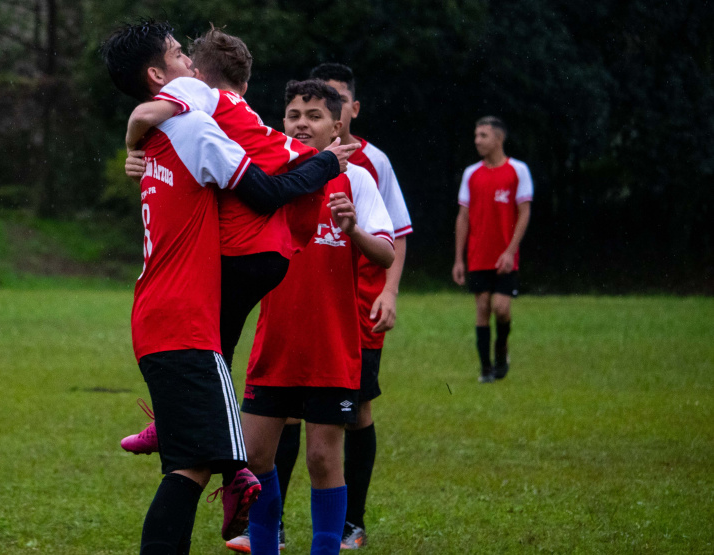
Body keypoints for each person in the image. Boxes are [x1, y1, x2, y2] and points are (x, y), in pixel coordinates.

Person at [102, 21, 350, 553]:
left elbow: (145, 117)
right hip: (184, 318)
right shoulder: (192, 121)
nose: (189, 63)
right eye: (176, 54)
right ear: (159, 75)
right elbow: (262, 192)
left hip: (158, 313)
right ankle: (238, 478)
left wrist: (131, 135)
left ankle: (226, 470)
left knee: (189, 466)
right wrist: (327, 162)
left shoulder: (159, 138)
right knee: (189, 470)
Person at [255, 63, 414, 551]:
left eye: (315, 115)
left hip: (331, 345)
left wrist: (353, 231)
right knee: (257, 458)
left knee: (323, 458)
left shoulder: (358, 182)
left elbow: (387, 252)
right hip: (274, 345)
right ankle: (265, 544)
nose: (302, 122)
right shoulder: (268, 178)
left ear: (337, 126)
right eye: (293, 114)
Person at [452, 116, 533, 383]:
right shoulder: (471, 174)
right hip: (477, 254)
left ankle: (501, 352)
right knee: (482, 307)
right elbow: (463, 217)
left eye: (483, 135)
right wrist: (459, 259)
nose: (477, 140)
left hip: (504, 255)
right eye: (476, 135)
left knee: (501, 308)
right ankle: (486, 368)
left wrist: (510, 251)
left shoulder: (518, 170)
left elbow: (524, 213)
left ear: (499, 139)